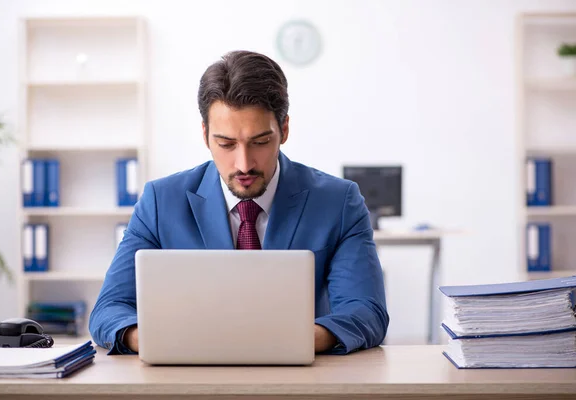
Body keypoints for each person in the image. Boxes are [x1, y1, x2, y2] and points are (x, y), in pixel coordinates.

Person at [89, 50, 389, 355]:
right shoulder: (159, 202)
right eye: (226, 144)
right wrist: (157, 339)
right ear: (206, 135)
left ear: (284, 130)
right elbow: (108, 310)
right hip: (188, 375)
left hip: (298, 376)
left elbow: (366, 312)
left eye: (259, 142)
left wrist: (293, 340)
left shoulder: (338, 202)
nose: (243, 164)